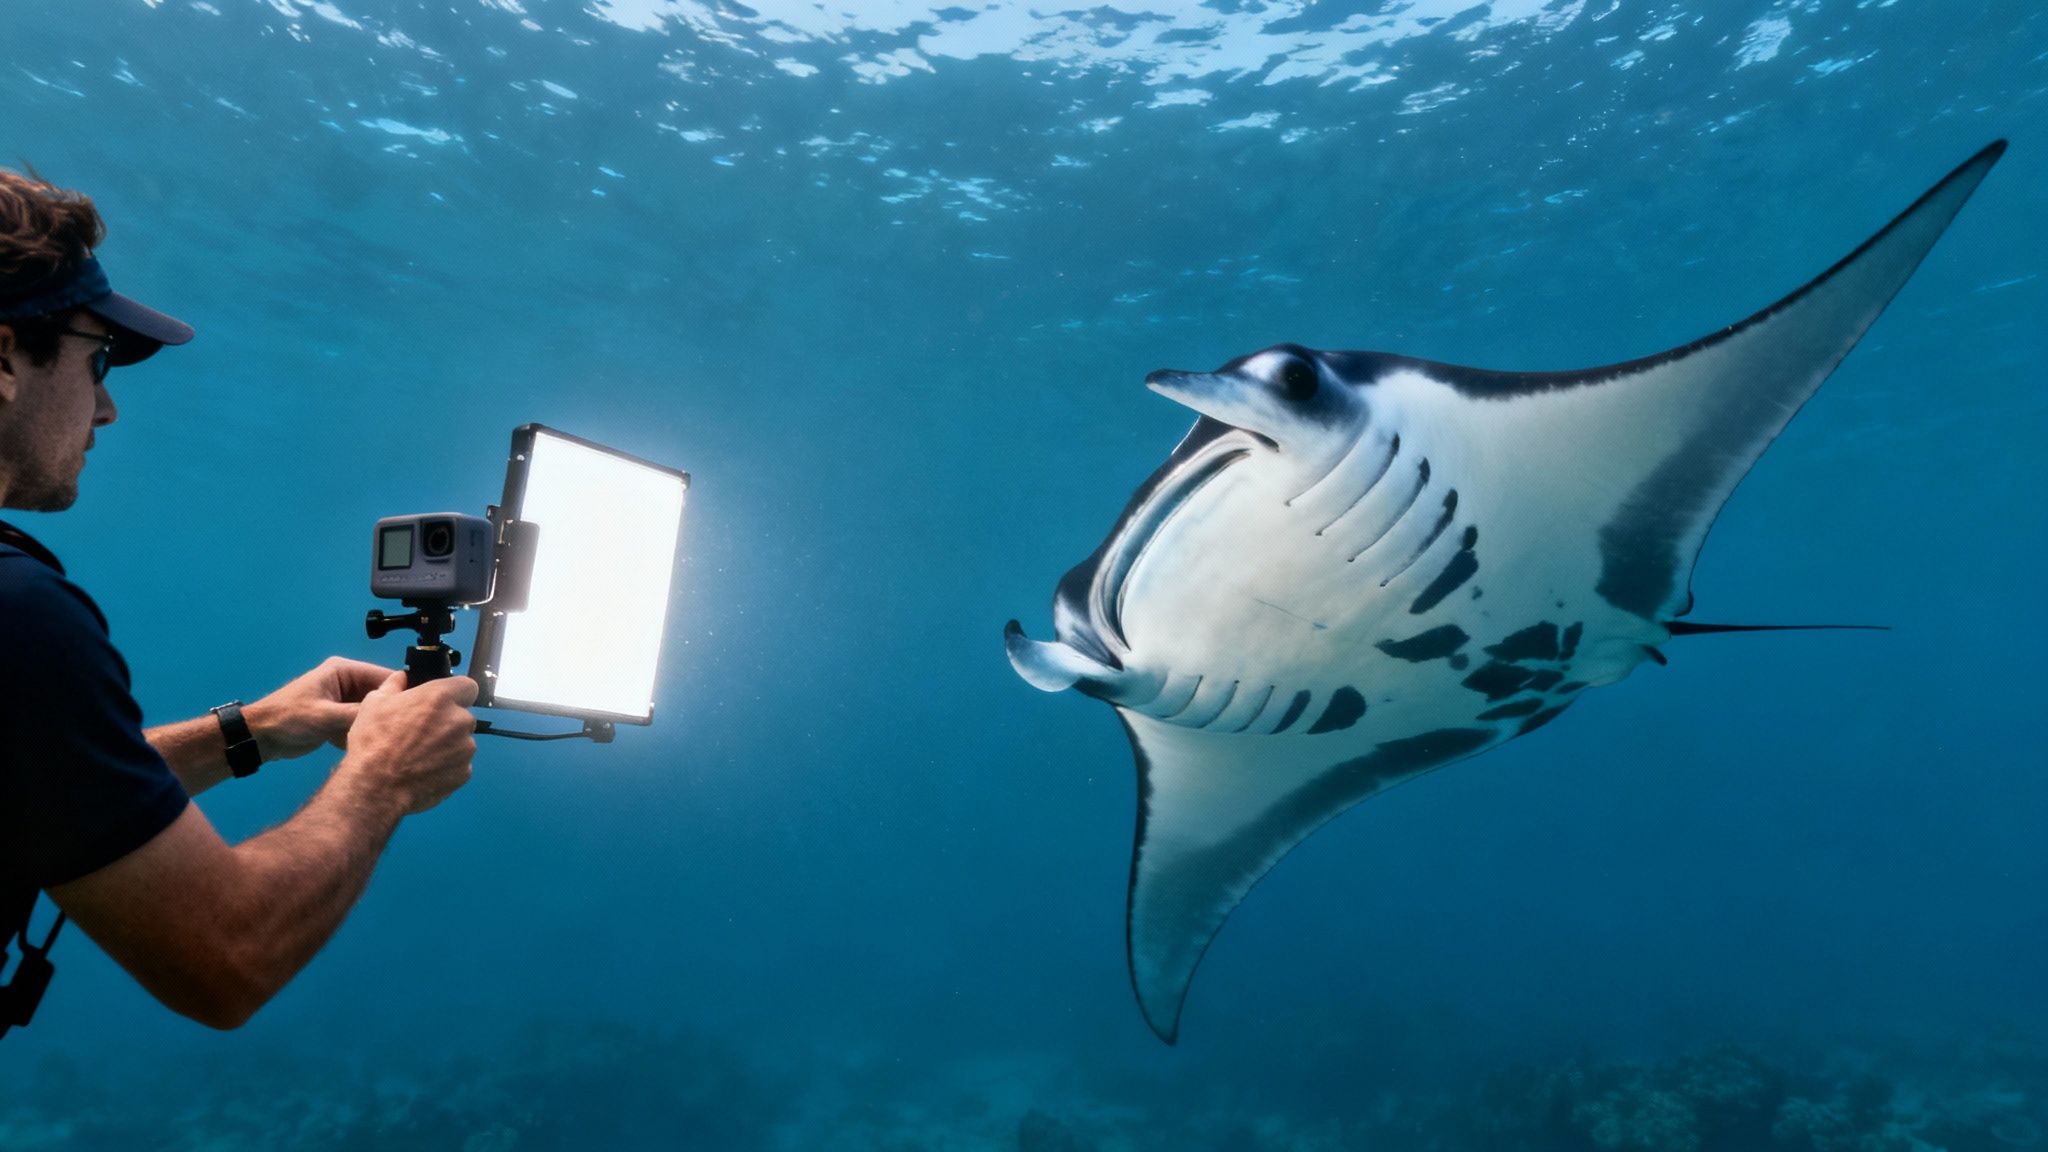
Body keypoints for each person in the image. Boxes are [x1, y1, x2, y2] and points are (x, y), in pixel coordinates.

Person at [0, 166, 482, 1035]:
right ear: (4, 358)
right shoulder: (20, 618)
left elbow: (32, 772)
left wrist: (255, 730)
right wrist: (383, 777)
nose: (105, 408)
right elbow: (226, 958)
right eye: (95, 358)